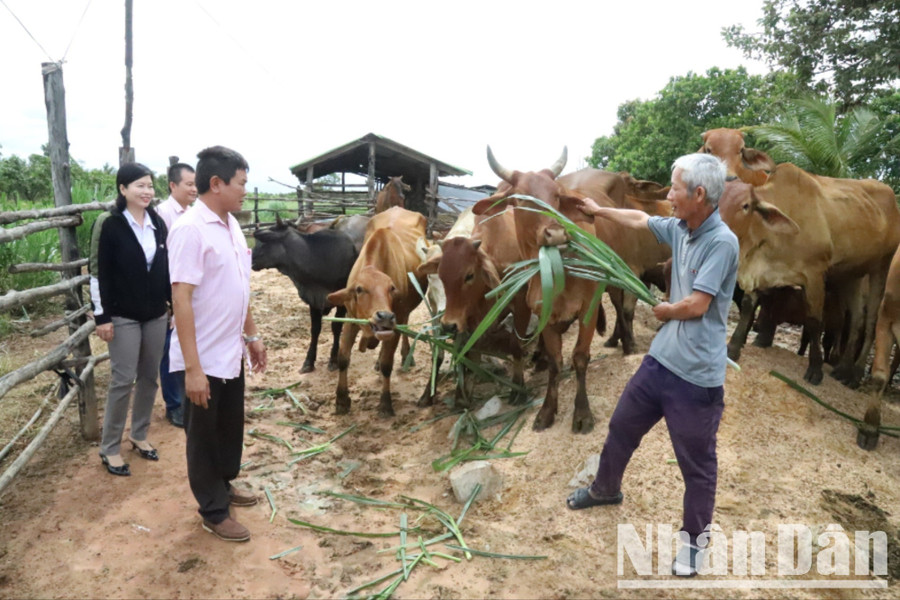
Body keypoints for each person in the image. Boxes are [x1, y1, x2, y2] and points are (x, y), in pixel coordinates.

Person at [566, 153, 738, 577]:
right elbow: (639, 220)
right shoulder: (681, 227)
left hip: (696, 377)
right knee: (622, 426)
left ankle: (694, 546)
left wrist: (663, 311)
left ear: (699, 194)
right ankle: (606, 489)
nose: (668, 195)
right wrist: (598, 210)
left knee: (697, 467)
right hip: (661, 361)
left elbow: (698, 305)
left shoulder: (721, 242)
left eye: (675, 188)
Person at [168, 145, 266, 543]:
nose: (245, 190)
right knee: (203, 436)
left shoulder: (230, 224)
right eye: (241, 183)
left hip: (230, 351)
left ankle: (223, 485)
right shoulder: (190, 230)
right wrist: (192, 368)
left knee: (228, 428)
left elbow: (239, 286)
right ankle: (212, 510)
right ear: (216, 183)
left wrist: (253, 334)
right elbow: (181, 298)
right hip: (203, 356)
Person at [90, 163, 171, 476]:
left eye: (150, 185)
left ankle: (138, 434)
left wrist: (170, 308)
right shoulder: (109, 224)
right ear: (123, 189)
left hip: (155, 313)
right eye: (140, 185)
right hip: (122, 315)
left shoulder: (156, 222)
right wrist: (102, 316)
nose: (147, 191)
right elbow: (98, 273)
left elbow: (164, 268)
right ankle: (110, 447)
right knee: (123, 379)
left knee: (150, 376)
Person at [155, 161, 197, 427]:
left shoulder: (192, 213)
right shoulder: (162, 215)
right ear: (173, 185)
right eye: (189, 184)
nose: (194, 189)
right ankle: (173, 404)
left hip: (188, 290)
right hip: (170, 291)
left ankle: (186, 398)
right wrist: (165, 298)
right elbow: (159, 260)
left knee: (187, 343)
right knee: (169, 348)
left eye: (195, 183)